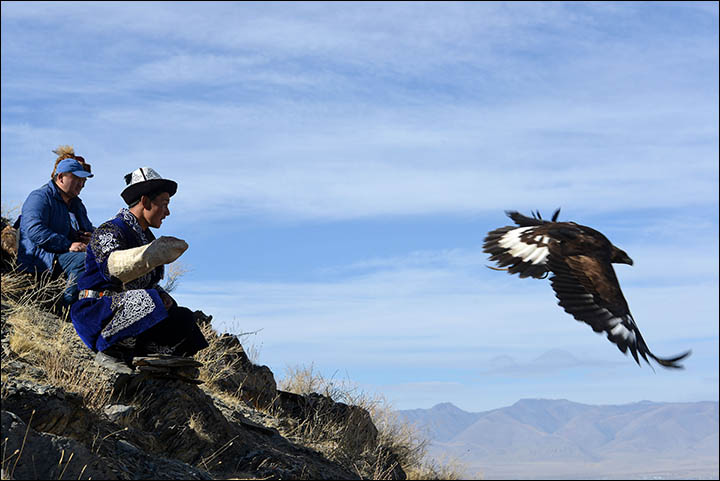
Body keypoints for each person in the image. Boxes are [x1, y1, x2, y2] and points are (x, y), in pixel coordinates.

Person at [70, 167, 208, 373]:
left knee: (184, 317)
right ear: (145, 201)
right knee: (148, 300)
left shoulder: (148, 239)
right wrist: (151, 255)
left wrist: (163, 296)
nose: (167, 212)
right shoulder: (109, 230)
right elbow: (114, 268)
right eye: (164, 204)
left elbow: (150, 284)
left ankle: (153, 356)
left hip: (136, 312)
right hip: (97, 313)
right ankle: (110, 352)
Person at [17, 146, 95, 306]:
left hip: (64, 257)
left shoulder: (77, 205)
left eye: (83, 180)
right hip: (42, 259)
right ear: (60, 177)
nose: (82, 184)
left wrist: (91, 239)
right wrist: (68, 245)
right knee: (84, 261)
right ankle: (64, 309)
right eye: (77, 179)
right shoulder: (40, 197)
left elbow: (88, 229)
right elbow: (34, 230)